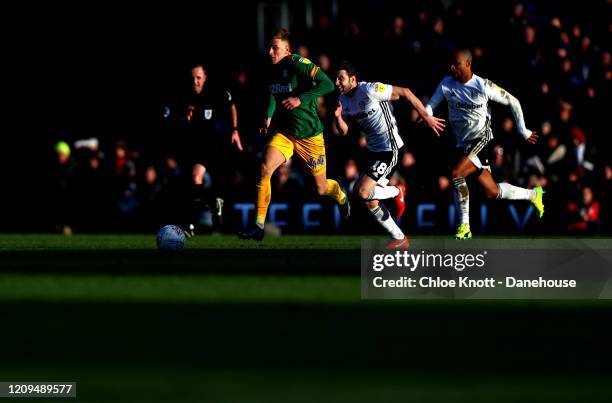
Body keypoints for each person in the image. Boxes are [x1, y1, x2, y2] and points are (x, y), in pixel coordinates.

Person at [239, 29, 349, 241]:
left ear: (287, 50)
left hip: (310, 135)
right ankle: (259, 225)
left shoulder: (299, 63)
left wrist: (300, 98)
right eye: (269, 47)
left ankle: (341, 196)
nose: (270, 51)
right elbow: (273, 92)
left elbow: (327, 84)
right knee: (265, 168)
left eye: (275, 48)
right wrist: (268, 116)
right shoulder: (271, 68)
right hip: (285, 132)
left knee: (321, 188)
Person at [425, 49, 544, 239]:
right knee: (492, 191)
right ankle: (533, 195)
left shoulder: (482, 86)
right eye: (451, 63)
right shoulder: (446, 84)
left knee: (457, 173)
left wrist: (523, 130)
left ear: (468, 64)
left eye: (456, 63)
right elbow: (430, 106)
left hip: (482, 139)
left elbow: (512, 101)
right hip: (461, 144)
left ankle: (464, 227)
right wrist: (425, 116)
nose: (452, 67)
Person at [333, 61, 445, 248]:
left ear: (353, 79)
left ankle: (397, 191)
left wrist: (426, 116)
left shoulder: (370, 89)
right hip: (373, 151)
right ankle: (399, 238)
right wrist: (337, 117)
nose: (337, 82)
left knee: (361, 192)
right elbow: (343, 131)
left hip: (390, 148)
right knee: (370, 200)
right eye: (336, 79)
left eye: (341, 78)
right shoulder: (343, 100)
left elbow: (405, 92)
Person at [163, 63, 243, 235]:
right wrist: (183, 119)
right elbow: (170, 123)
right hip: (192, 148)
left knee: (200, 177)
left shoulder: (214, 94)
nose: (195, 81)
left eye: (199, 77)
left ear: (205, 77)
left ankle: (199, 219)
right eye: (193, 77)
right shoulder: (182, 97)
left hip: (213, 145)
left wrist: (235, 130)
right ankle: (204, 211)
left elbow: (232, 105)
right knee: (192, 183)